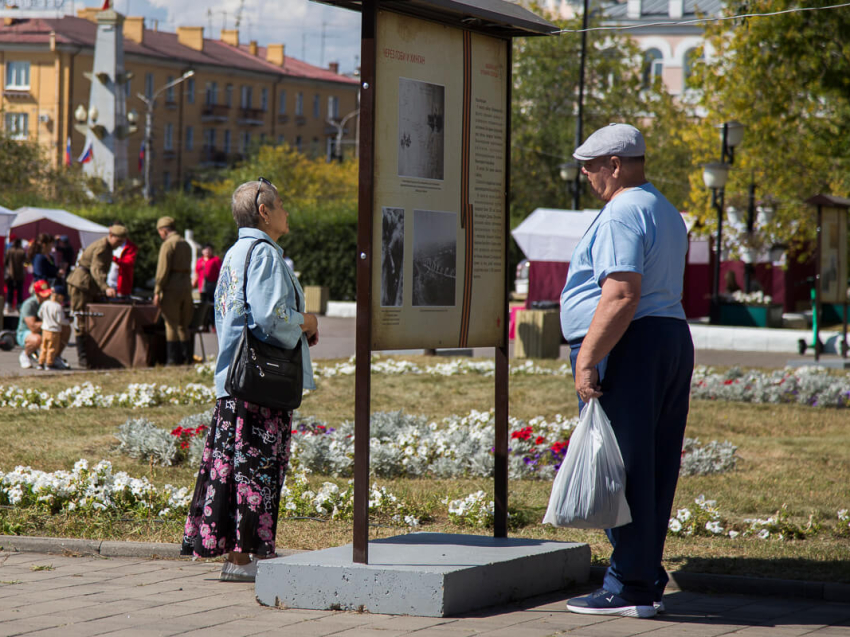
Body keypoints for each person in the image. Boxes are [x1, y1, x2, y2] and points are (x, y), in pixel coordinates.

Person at [560, 124, 694, 619]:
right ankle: (643, 575)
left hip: (630, 342)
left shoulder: (621, 210)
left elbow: (620, 295)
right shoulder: (661, 206)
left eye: (593, 164)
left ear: (616, 165)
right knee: (653, 465)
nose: (586, 172)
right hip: (667, 337)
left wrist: (588, 358)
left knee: (622, 466)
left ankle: (629, 584)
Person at [181, 178, 319, 582]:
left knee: (233, 471)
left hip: (234, 382)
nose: (286, 212)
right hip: (261, 386)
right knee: (256, 472)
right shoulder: (265, 256)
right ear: (264, 212)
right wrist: (307, 322)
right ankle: (247, 559)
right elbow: (270, 319)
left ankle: (237, 558)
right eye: (281, 205)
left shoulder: (235, 253)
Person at [66, 225, 124, 368]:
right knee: (81, 319)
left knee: (90, 319)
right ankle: (83, 358)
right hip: (81, 284)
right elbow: (96, 269)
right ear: (111, 235)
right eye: (118, 241)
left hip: (89, 285)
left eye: (121, 242)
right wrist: (105, 287)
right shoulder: (102, 247)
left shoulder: (108, 247)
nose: (119, 245)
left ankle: (92, 355)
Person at [154, 217, 194, 365]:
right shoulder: (186, 244)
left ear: (164, 230)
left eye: (160, 232)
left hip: (171, 287)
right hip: (186, 286)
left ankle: (173, 360)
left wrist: (157, 290)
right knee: (184, 325)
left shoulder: (168, 244)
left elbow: (162, 270)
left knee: (171, 324)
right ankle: (187, 358)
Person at [16, 279, 71, 369]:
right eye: (43, 295)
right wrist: (51, 321)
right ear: (37, 294)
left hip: (47, 329)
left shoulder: (51, 302)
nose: (47, 297)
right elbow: (33, 327)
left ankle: (55, 357)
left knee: (65, 328)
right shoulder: (29, 304)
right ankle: (26, 354)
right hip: (27, 333)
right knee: (37, 339)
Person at [36, 283, 70, 371]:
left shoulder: (45, 303)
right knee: (52, 348)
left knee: (43, 347)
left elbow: (39, 314)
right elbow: (60, 321)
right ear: (60, 296)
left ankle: (40, 363)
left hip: (45, 329)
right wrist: (68, 321)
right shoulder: (58, 307)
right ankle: (49, 364)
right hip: (54, 330)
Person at [107, 230, 138, 297]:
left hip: (121, 285)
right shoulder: (107, 244)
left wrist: (115, 259)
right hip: (108, 283)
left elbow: (128, 263)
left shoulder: (130, 247)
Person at [4, 237, 26, 312]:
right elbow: (25, 262)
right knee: (19, 291)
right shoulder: (22, 251)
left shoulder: (9, 250)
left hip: (11, 274)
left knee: (10, 291)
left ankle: (8, 306)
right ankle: (18, 306)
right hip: (19, 274)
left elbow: (5, 262)